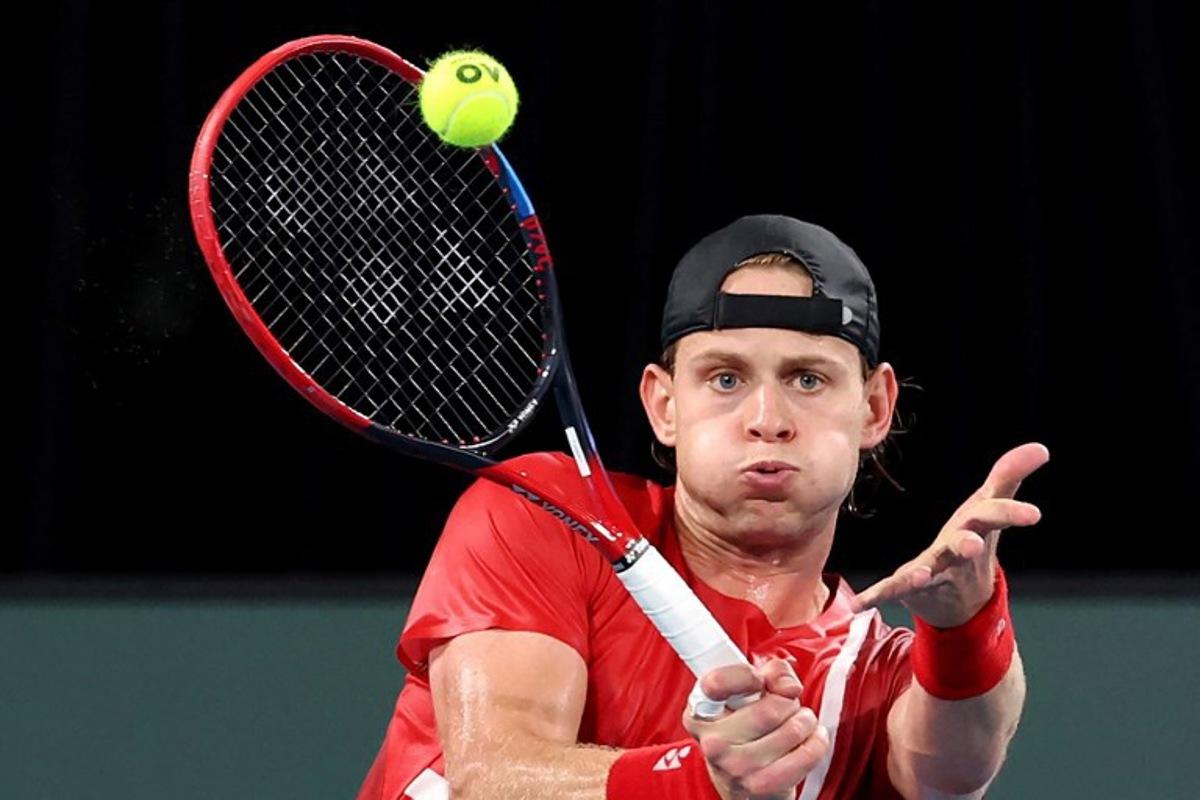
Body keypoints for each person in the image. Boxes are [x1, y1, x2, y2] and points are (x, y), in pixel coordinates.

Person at [356, 215, 1049, 800]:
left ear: (874, 408)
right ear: (664, 404)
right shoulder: (550, 512)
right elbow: (495, 775)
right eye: (725, 378)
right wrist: (696, 782)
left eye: (808, 379)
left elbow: (956, 766)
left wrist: (966, 622)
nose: (767, 417)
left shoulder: (873, 677)